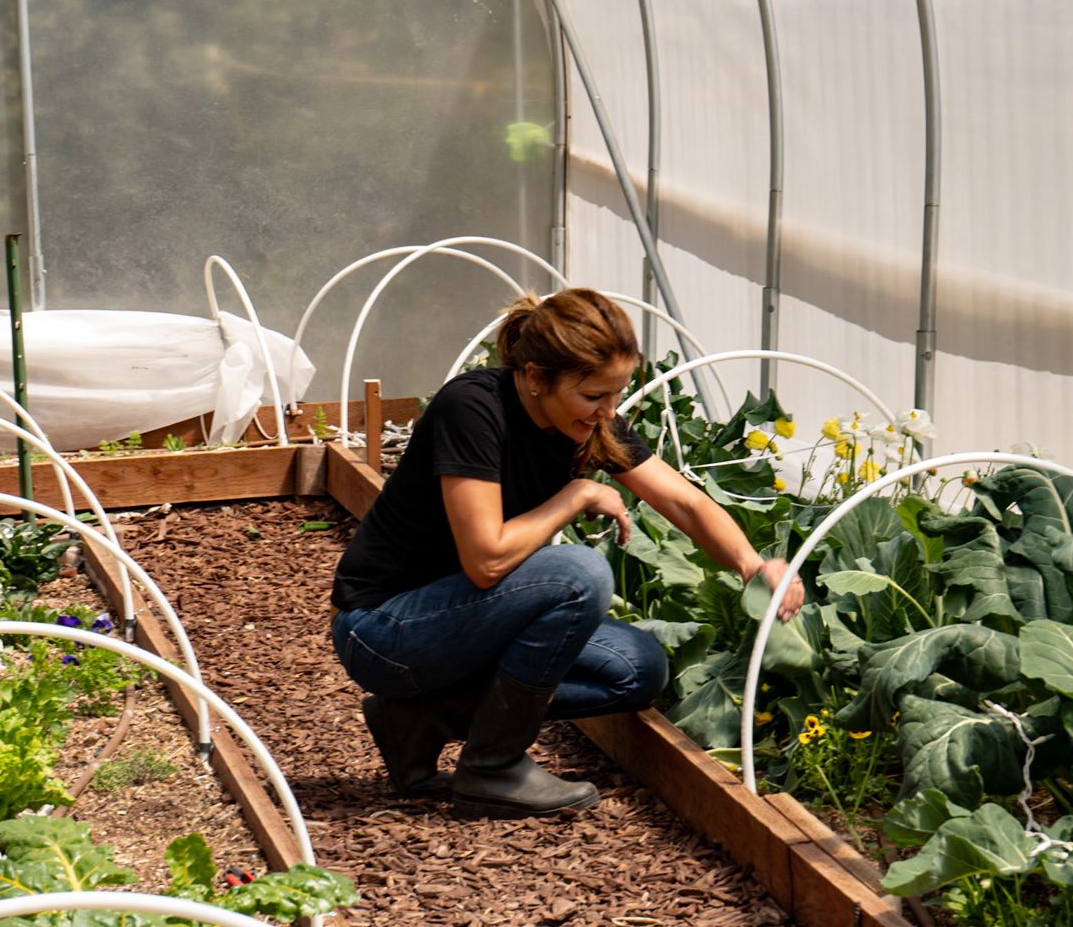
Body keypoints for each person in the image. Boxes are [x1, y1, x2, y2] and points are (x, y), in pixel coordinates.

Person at [330, 288, 804, 820]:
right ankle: (493, 767)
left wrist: (753, 564)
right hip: (386, 630)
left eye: (617, 393)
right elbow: (485, 560)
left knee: (636, 670)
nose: (608, 410)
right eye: (594, 395)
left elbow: (685, 502)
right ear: (536, 377)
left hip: (467, 620)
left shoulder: (586, 422)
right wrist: (575, 495)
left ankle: (423, 719)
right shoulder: (472, 409)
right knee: (579, 572)